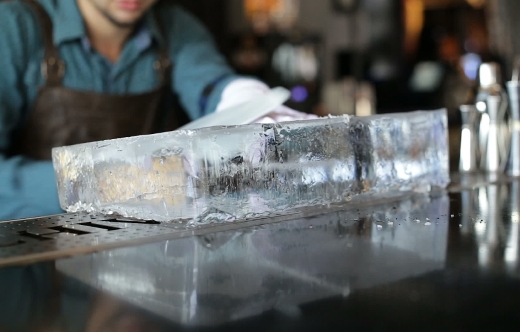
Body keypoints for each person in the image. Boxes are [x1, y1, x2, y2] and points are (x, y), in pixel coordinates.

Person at [0, 0, 315, 221]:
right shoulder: (14, 28)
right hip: (43, 258)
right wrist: (106, 184)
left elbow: (210, 82)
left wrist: (248, 102)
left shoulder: (173, 26)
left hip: (148, 249)